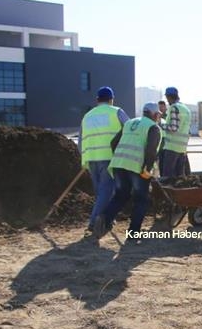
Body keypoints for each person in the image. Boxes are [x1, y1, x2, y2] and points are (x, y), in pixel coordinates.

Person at [93, 103, 162, 239]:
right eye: (158, 114)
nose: (159, 117)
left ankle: (104, 219)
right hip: (137, 167)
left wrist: (119, 158)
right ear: (154, 115)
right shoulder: (153, 128)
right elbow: (151, 151)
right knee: (141, 200)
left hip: (119, 164)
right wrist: (148, 169)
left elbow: (113, 142)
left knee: (120, 195)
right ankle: (133, 233)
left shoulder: (129, 123)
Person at [79, 86, 129, 235]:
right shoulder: (117, 112)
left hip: (91, 159)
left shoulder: (87, 116)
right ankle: (94, 222)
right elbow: (130, 129)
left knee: (100, 192)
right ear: (111, 99)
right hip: (109, 158)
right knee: (106, 192)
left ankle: (107, 218)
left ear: (97, 100)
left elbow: (81, 140)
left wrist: (84, 156)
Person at [158, 86, 192, 178]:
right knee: (179, 176)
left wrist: (160, 124)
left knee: (167, 176)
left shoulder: (174, 108)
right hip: (182, 148)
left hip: (172, 147)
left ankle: (168, 192)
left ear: (169, 97)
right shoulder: (186, 109)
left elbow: (173, 128)